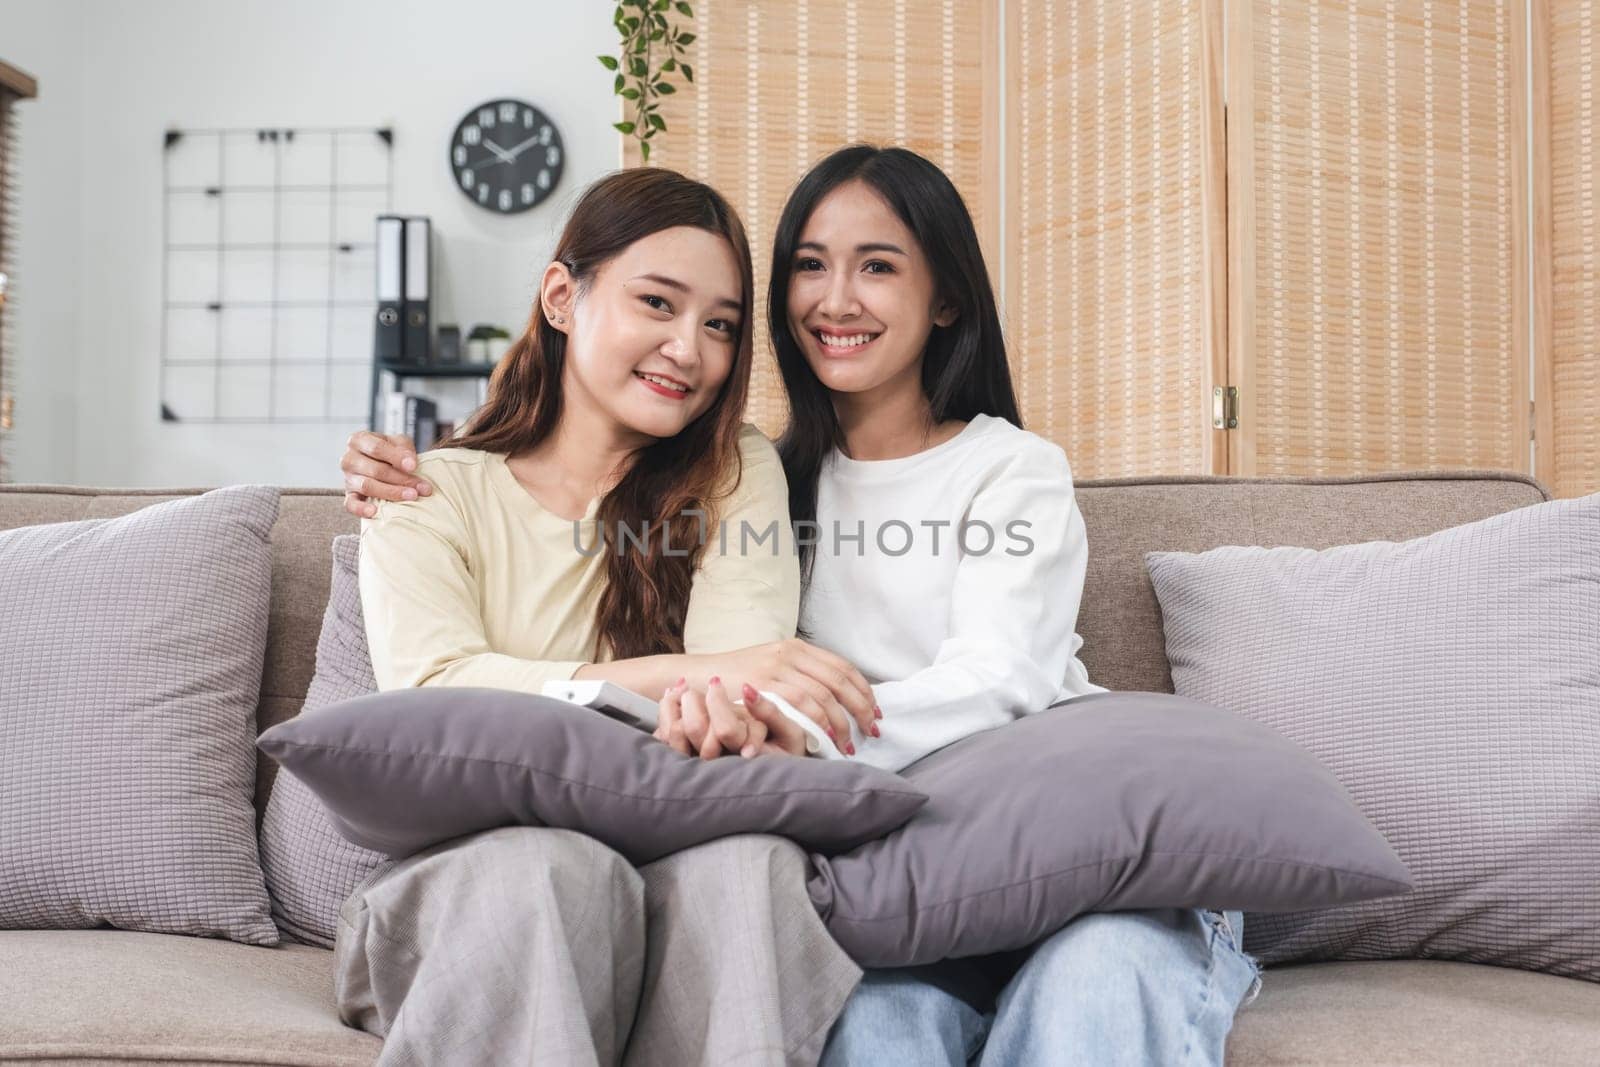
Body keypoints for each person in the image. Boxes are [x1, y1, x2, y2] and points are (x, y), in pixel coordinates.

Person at [343, 146, 1264, 1065]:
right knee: (871, 1026)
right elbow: (702, 667)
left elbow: (999, 679)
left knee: (1089, 990)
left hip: (1058, 848)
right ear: (560, 298)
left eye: (878, 266)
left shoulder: (988, 469)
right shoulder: (775, 481)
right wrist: (728, 695)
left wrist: (787, 730)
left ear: (946, 298)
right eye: (811, 266)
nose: (835, 299)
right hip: (895, 884)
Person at [337, 166, 871, 1067]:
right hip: (460, 888)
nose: (689, 350)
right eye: (656, 303)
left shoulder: (732, 471)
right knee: (553, 870)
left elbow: (740, 682)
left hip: (666, 871)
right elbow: (432, 695)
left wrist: (724, 705)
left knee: (752, 870)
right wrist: (669, 679)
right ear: (560, 296)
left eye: (719, 326)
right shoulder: (423, 491)